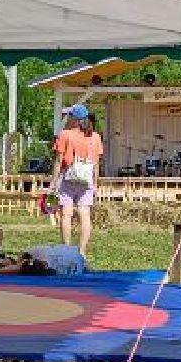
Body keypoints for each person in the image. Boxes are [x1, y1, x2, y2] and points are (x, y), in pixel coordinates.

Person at [52, 104, 105, 261]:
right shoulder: (95, 137)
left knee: (66, 215)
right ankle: (82, 251)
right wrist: (95, 184)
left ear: (73, 118)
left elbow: (58, 161)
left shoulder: (65, 135)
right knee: (85, 215)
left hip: (68, 178)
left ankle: (67, 250)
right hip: (86, 179)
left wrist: (54, 181)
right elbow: (96, 163)